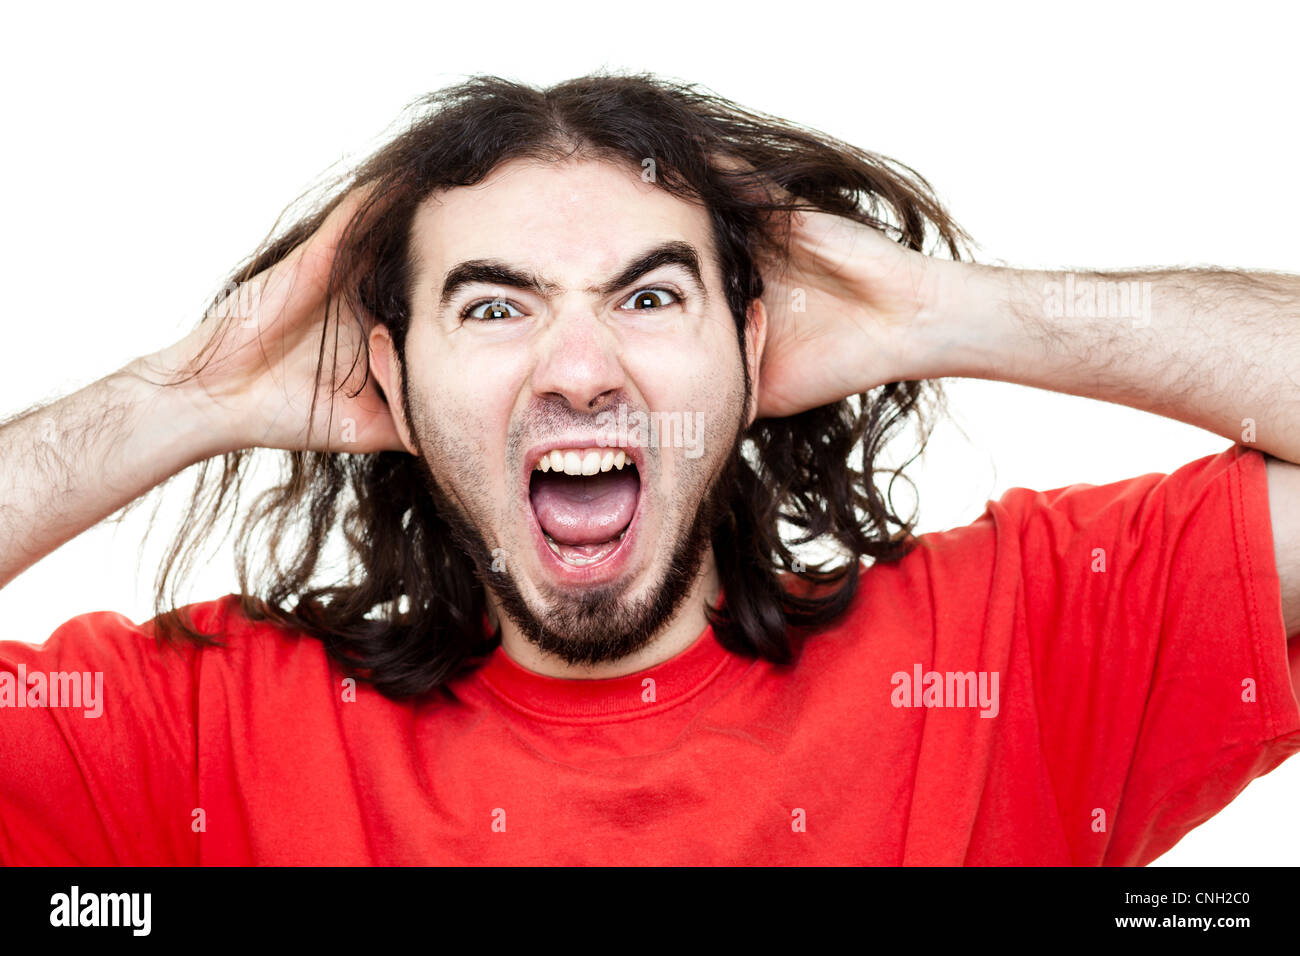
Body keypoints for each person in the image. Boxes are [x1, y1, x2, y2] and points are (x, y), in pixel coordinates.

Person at [1, 72, 1297, 865]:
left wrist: (950, 312)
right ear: (390, 384)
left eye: (651, 297)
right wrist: (178, 400)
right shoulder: (192, 741)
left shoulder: (1025, 649)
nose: (578, 371)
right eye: (496, 309)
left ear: (751, 348)